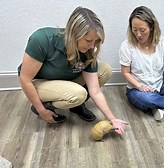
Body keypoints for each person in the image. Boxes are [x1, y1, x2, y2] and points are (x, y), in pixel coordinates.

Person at [18, 6, 128, 134]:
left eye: (96, 41)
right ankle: (46, 104)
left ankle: (76, 106)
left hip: (65, 81)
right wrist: (42, 110)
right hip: (38, 83)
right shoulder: (41, 39)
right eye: (88, 40)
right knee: (79, 94)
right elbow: (25, 79)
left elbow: (95, 91)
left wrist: (112, 119)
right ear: (74, 34)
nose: (92, 46)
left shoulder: (88, 50)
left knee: (105, 70)